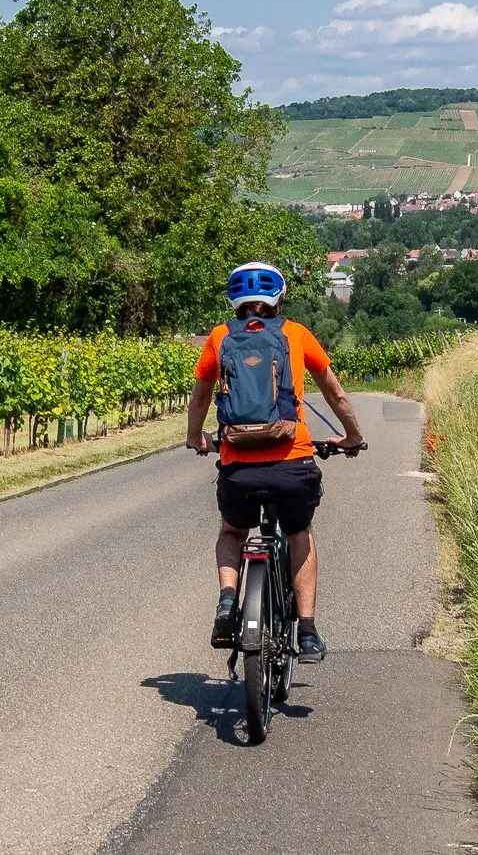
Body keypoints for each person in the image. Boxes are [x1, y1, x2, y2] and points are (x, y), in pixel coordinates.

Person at [185, 261, 365, 663]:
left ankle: (228, 599)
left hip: (238, 468)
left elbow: (200, 398)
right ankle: (308, 631)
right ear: (278, 298)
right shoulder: (296, 334)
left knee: (233, 532)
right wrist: (352, 436)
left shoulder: (218, 337)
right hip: (293, 465)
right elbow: (334, 393)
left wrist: (195, 436)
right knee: (299, 532)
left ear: (235, 300)